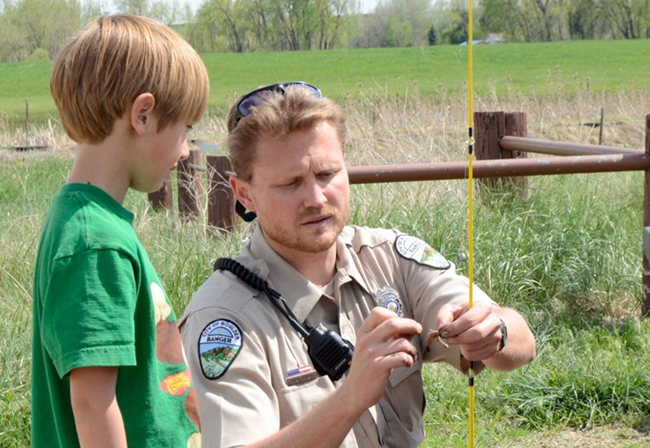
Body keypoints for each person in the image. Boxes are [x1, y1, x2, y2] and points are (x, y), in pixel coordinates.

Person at [179, 82, 536, 448]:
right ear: (244, 193)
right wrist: (350, 398)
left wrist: (493, 332)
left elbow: (522, 342)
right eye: (290, 184)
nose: (315, 199)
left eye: (326, 174)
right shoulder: (224, 316)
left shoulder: (389, 256)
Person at [31, 15, 209, 447]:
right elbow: (93, 403)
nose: (186, 151)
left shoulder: (89, 222)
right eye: (185, 129)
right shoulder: (96, 241)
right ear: (143, 115)